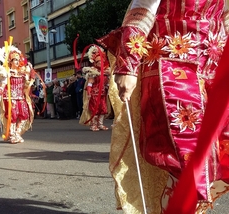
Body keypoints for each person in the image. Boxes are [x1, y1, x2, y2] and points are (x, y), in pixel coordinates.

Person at [97, 1, 229, 213]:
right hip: (172, 69)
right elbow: (142, 10)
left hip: (214, 71)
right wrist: (128, 64)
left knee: (215, 160)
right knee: (186, 160)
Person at [0, 45, 35, 144]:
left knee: (25, 115)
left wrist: (30, 74)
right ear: (10, 61)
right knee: (12, 116)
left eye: (18, 60)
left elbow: (27, 84)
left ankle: (17, 133)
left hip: (21, 97)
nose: (17, 62)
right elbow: (2, 85)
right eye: (15, 60)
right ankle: (12, 135)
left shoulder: (22, 73)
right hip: (10, 97)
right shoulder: (7, 73)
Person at [79, 45, 111, 131]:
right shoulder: (93, 71)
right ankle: (93, 124)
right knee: (95, 110)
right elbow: (90, 83)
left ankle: (100, 124)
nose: (101, 63)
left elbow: (107, 83)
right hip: (94, 94)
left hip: (103, 94)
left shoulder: (106, 72)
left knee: (103, 109)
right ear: (95, 63)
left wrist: (108, 87)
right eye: (98, 62)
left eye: (102, 61)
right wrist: (89, 93)